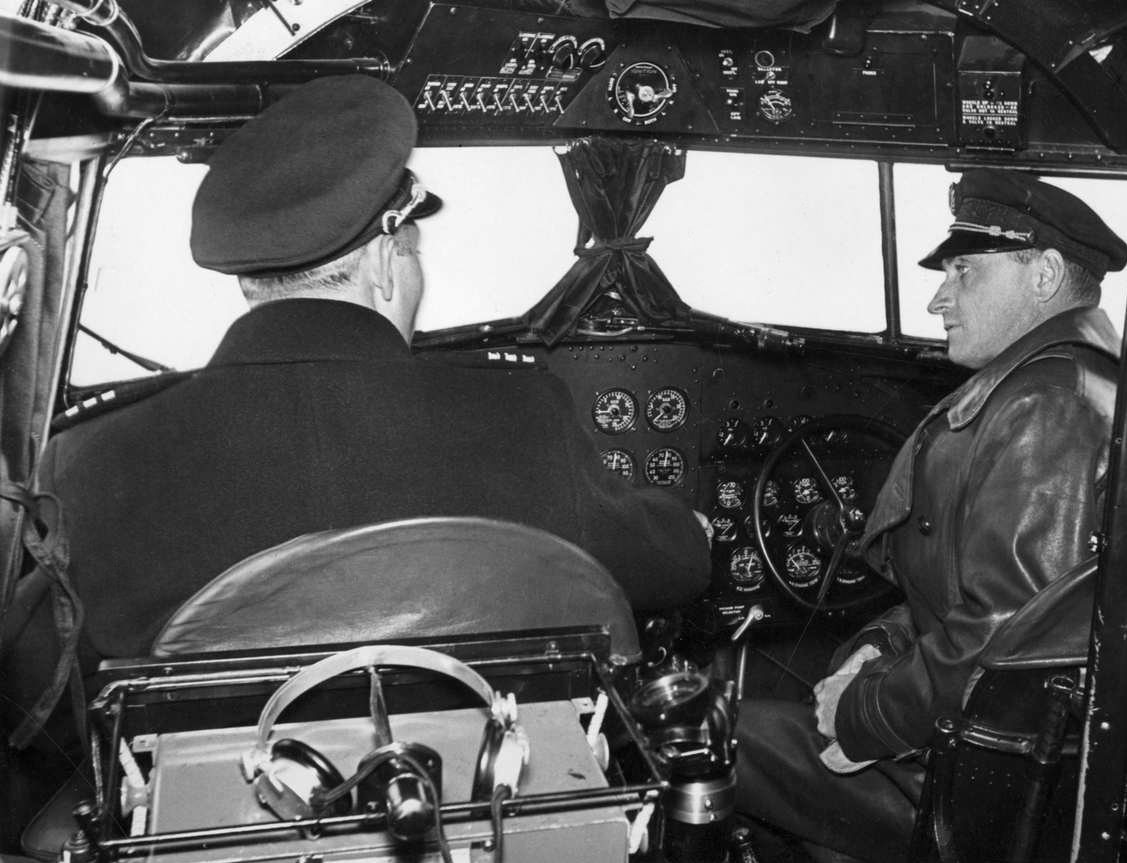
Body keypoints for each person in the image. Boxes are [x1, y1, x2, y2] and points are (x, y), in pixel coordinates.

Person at [2, 75, 710, 753]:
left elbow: (31, 698)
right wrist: (694, 532)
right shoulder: (524, 415)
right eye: (413, 250)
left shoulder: (96, 458)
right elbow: (667, 570)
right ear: (383, 260)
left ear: (250, 277)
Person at [735, 169, 1127, 863]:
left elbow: (1010, 645)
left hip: (992, 793)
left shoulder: (1048, 409)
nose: (938, 297)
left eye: (965, 272)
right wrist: (876, 650)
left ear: (1043, 275)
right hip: (986, 751)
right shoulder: (1056, 387)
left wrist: (864, 718)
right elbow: (977, 595)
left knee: (721, 737)